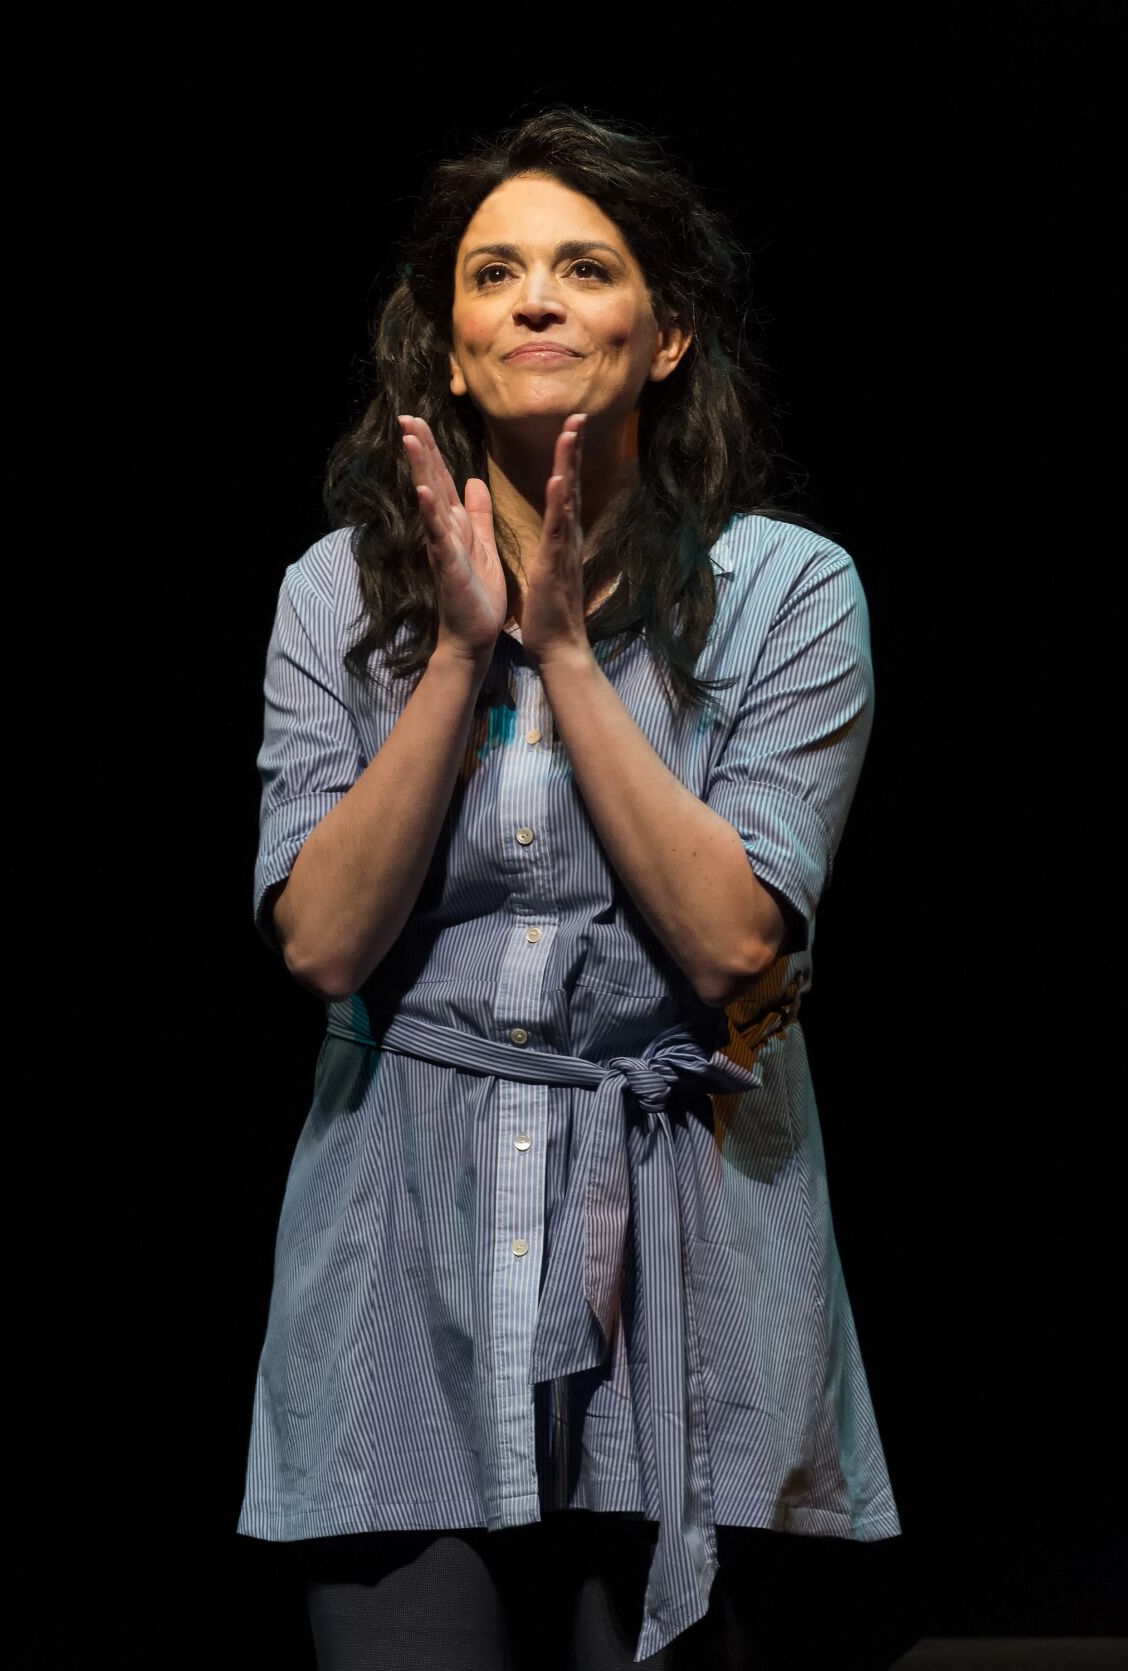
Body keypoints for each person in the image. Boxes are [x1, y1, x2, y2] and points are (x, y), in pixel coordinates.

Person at [235, 106, 907, 1670]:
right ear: (453, 350)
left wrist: (561, 654)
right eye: (495, 274)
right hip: (405, 1251)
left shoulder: (786, 590)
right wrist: (465, 647)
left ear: (665, 335)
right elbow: (325, 940)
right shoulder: (336, 593)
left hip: (694, 1259)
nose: (535, 297)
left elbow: (735, 931)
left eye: (585, 267)